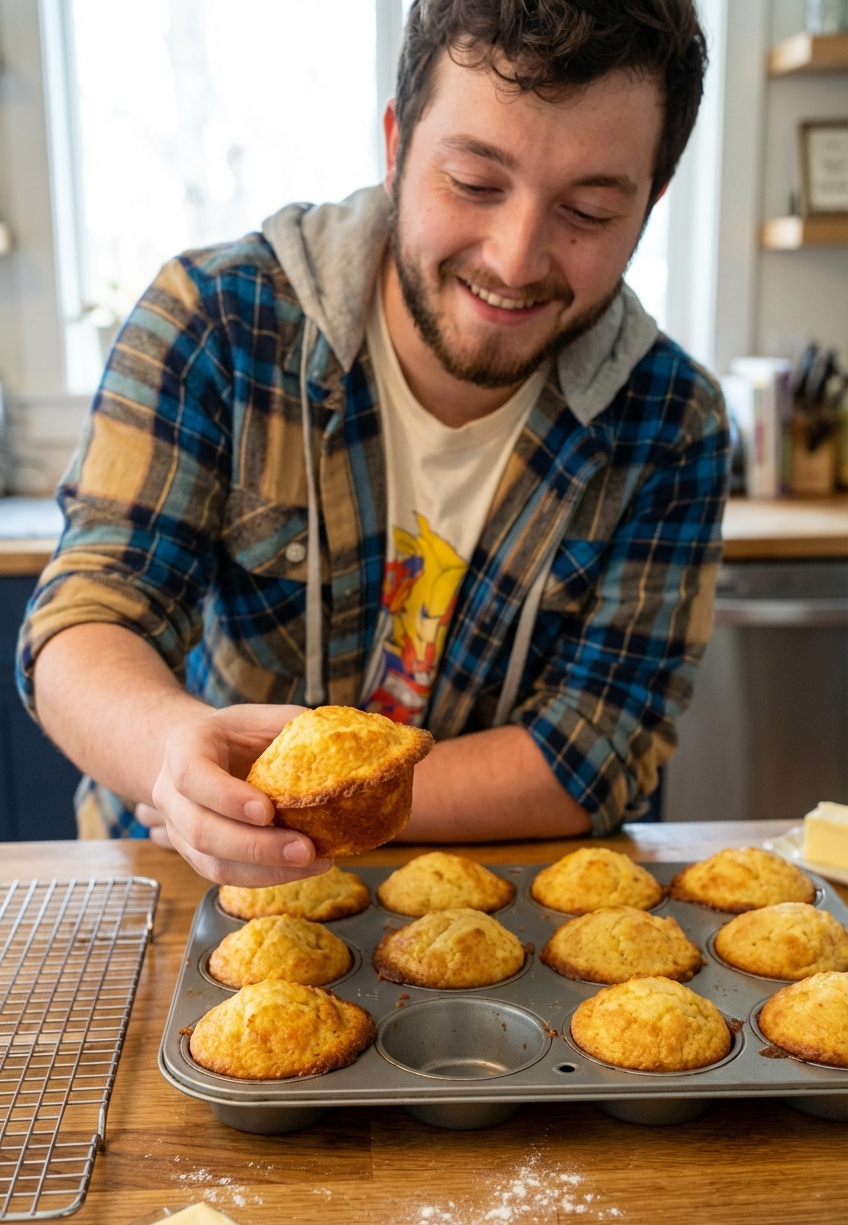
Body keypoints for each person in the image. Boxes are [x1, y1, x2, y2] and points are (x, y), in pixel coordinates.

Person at [18, 0, 728, 889]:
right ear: (396, 146)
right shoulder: (215, 323)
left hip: (491, 910)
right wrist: (176, 753)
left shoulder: (673, 421)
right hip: (187, 878)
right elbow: (86, 619)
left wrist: (318, 801)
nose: (513, 260)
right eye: (473, 182)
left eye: (587, 210)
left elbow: (599, 746)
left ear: (651, 201)